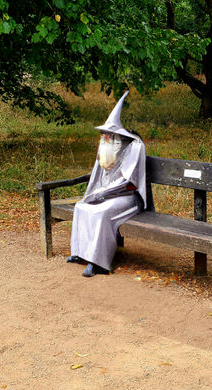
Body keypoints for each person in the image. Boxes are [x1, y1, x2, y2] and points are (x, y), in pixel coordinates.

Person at [67, 91, 147, 277]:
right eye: (103, 135)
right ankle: (79, 253)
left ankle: (99, 263)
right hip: (106, 194)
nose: (104, 138)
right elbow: (97, 177)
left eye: (108, 135)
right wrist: (93, 195)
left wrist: (103, 195)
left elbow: (128, 182)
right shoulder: (106, 150)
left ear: (117, 137)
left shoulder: (135, 148)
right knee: (81, 206)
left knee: (101, 213)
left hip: (127, 199)